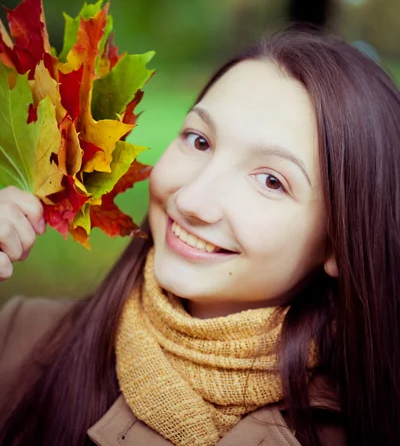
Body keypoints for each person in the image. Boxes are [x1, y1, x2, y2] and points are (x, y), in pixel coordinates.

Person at [0, 29, 399, 446]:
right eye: (199, 140)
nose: (192, 200)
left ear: (338, 243)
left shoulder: (362, 427)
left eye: (270, 180)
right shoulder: (20, 343)